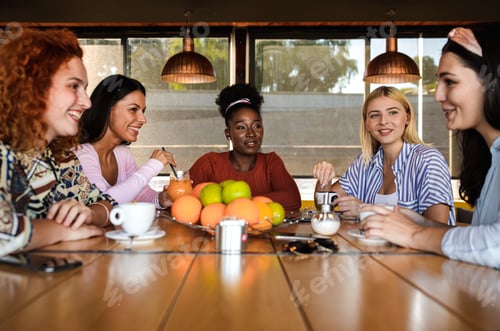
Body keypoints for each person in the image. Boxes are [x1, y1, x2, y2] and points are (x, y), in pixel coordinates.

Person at [360, 26, 500, 268]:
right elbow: (484, 236)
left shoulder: (428, 157)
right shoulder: (492, 158)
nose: (438, 95)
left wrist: (413, 234)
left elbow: (495, 245)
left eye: (450, 82)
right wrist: (418, 223)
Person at [0, 28, 115, 255]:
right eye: (74, 86)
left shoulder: (63, 159)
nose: (87, 103)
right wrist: (62, 230)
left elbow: (106, 204)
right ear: (32, 88)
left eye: (85, 89)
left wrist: (89, 213)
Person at [313, 86, 455, 225]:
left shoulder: (428, 160)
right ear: (367, 124)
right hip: (372, 248)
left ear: (407, 118)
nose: (383, 121)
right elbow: (324, 204)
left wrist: (366, 210)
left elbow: (438, 226)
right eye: (375, 115)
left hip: (421, 249)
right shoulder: (364, 163)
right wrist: (323, 178)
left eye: (392, 112)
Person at [189, 83, 301, 212]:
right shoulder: (210, 163)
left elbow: (293, 199)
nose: (251, 133)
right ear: (228, 134)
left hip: (263, 231)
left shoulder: (270, 163)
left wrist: (239, 203)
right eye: (241, 127)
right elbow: (183, 199)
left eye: (256, 126)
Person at [76, 74, 176, 209]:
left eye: (143, 111)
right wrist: (153, 166)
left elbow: (141, 192)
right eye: (133, 109)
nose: (143, 119)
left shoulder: (122, 153)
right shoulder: (81, 155)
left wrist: (161, 199)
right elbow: (102, 204)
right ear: (107, 108)